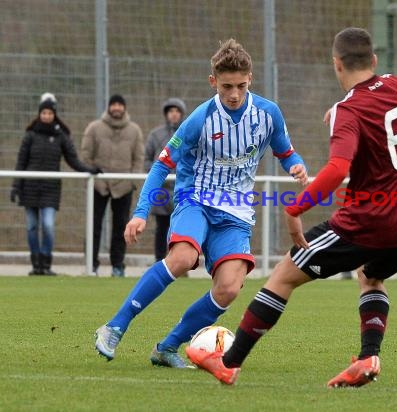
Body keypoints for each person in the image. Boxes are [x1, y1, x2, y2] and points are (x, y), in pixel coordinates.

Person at [186, 27, 397, 388]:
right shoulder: (395, 86)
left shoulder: (349, 110)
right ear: (374, 61)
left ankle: (229, 363)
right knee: (370, 276)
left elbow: (338, 168)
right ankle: (367, 358)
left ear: (336, 64)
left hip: (368, 220)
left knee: (283, 276)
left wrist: (295, 208)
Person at [94, 39, 308, 368]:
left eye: (240, 85)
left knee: (229, 288)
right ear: (213, 82)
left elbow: (285, 150)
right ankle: (114, 326)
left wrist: (295, 165)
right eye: (226, 87)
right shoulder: (199, 119)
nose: (234, 94)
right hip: (196, 199)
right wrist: (140, 214)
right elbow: (162, 164)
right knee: (182, 258)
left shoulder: (267, 114)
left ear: (250, 78)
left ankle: (167, 347)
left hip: (236, 213)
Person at [11, 93, 101, 275]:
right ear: (39, 114)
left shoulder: (61, 136)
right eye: (43, 113)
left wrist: (89, 170)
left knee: (48, 225)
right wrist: (15, 186)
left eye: (49, 113)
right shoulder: (30, 135)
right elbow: (21, 162)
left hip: (50, 189)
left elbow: (73, 160)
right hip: (29, 188)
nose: (46, 116)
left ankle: (46, 263)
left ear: (54, 115)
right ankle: (36, 264)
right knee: (31, 226)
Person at [81, 94, 144, 277]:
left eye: (119, 105)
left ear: (124, 107)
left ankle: (118, 265)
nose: (116, 108)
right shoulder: (94, 128)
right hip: (98, 185)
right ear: (109, 107)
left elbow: (138, 159)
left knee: (121, 227)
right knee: (94, 226)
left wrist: (132, 181)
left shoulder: (134, 130)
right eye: (113, 104)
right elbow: (86, 155)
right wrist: (95, 178)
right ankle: (91, 265)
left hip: (123, 186)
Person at [144, 98, 187, 261]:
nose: (174, 114)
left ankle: (179, 263)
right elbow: (147, 159)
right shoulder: (156, 135)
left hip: (182, 189)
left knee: (180, 228)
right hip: (162, 190)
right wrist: (157, 176)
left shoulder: (188, 133)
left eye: (177, 111)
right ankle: (159, 261)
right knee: (162, 227)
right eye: (171, 111)